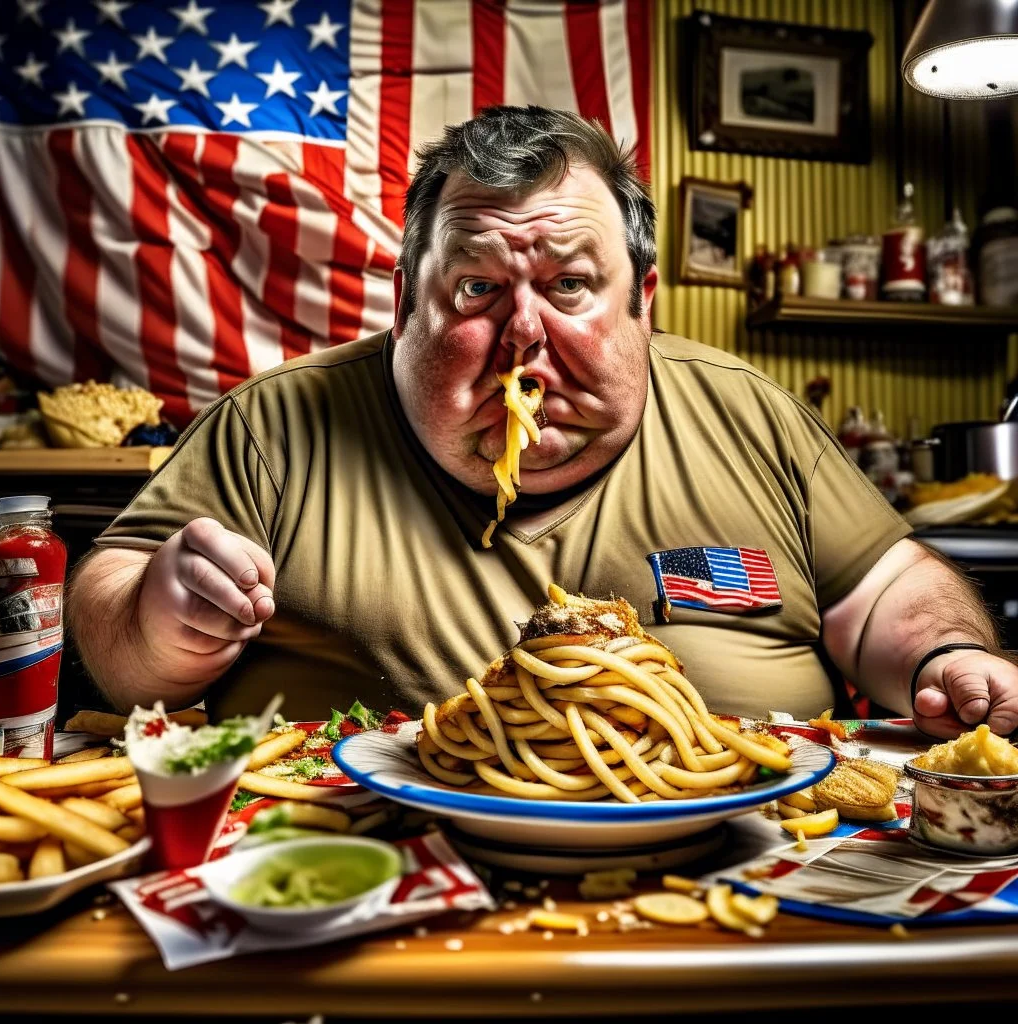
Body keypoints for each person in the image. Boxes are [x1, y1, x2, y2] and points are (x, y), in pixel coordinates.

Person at [69, 105, 1018, 740]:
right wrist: (160, 618)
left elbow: (889, 589)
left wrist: (951, 655)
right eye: (477, 286)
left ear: (643, 300)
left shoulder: (748, 411)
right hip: (362, 893)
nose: (523, 334)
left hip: (768, 888)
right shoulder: (275, 423)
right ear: (405, 304)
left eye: (569, 285)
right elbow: (115, 636)